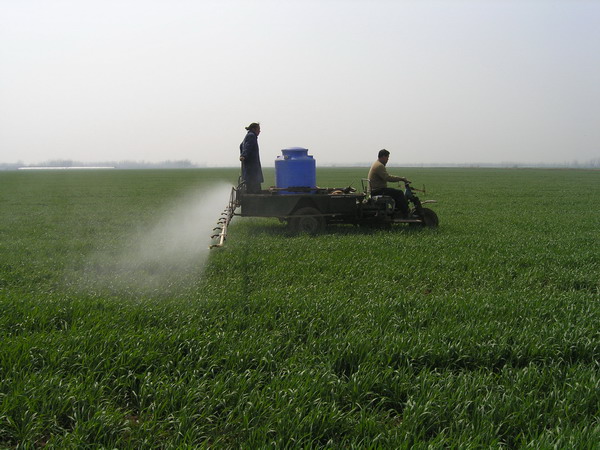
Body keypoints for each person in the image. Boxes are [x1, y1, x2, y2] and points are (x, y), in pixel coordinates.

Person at [367, 149, 410, 217]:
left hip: (375, 190)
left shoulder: (376, 164)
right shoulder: (379, 165)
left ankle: (397, 211)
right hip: (377, 190)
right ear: (383, 157)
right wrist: (401, 179)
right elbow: (387, 177)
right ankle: (405, 213)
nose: (387, 160)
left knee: (394, 193)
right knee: (399, 193)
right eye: (387, 158)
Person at [239, 122, 264, 193]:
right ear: (254, 129)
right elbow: (248, 146)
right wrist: (244, 155)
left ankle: (251, 195)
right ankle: (254, 198)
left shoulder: (248, 136)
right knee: (255, 186)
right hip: (252, 167)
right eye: (258, 129)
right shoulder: (251, 136)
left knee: (249, 185)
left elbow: (241, 146)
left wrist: (243, 155)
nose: (259, 131)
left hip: (249, 167)